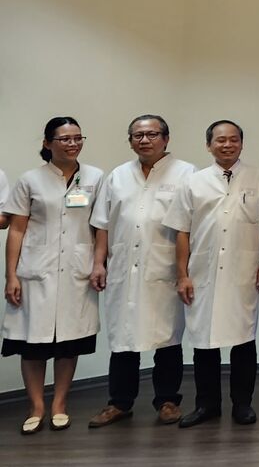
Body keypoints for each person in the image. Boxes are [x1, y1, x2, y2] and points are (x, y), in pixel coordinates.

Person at [86, 115, 195, 428]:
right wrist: (98, 263)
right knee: (123, 338)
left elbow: (191, 227)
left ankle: (168, 401)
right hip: (123, 267)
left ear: (166, 138)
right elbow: (103, 224)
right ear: (130, 140)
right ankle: (119, 403)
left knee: (168, 337)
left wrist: (185, 272)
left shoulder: (187, 173)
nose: (144, 140)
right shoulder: (119, 175)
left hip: (165, 269)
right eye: (137, 135)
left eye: (152, 134)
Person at [163, 120, 259, 428]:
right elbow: (182, 231)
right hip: (203, 271)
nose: (227, 145)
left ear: (241, 143)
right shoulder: (193, 182)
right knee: (204, 341)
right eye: (220, 140)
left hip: (244, 271)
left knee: (244, 340)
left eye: (233, 139)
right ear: (208, 145)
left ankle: (242, 404)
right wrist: (182, 274)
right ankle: (207, 404)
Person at [2, 117, 104, 434]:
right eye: (65, 139)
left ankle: (59, 405)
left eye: (77, 138)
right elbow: (16, 230)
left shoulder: (95, 177)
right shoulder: (31, 180)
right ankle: (36, 407)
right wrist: (11, 276)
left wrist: (99, 263)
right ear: (48, 143)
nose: (73, 144)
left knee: (69, 343)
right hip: (36, 271)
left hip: (77, 270)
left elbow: (100, 226)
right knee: (32, 343)